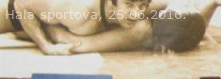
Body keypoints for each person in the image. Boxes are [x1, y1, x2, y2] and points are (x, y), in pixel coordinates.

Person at [37, 0, 221, 54]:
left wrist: (46, 33)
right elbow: (196, 26)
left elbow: (72, 42)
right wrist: (214, 4)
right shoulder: (168, 13)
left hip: (53, 22)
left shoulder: (141, 30)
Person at [2, 0, 150, 54]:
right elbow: (21, 3)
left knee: (142, 28)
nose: (136, 14)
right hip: (13, 14)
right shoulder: (79, 9)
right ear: (112, 2)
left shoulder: (136, 10)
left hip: (53, 21)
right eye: (129, 4)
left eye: (142, 6)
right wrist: (45, 46)